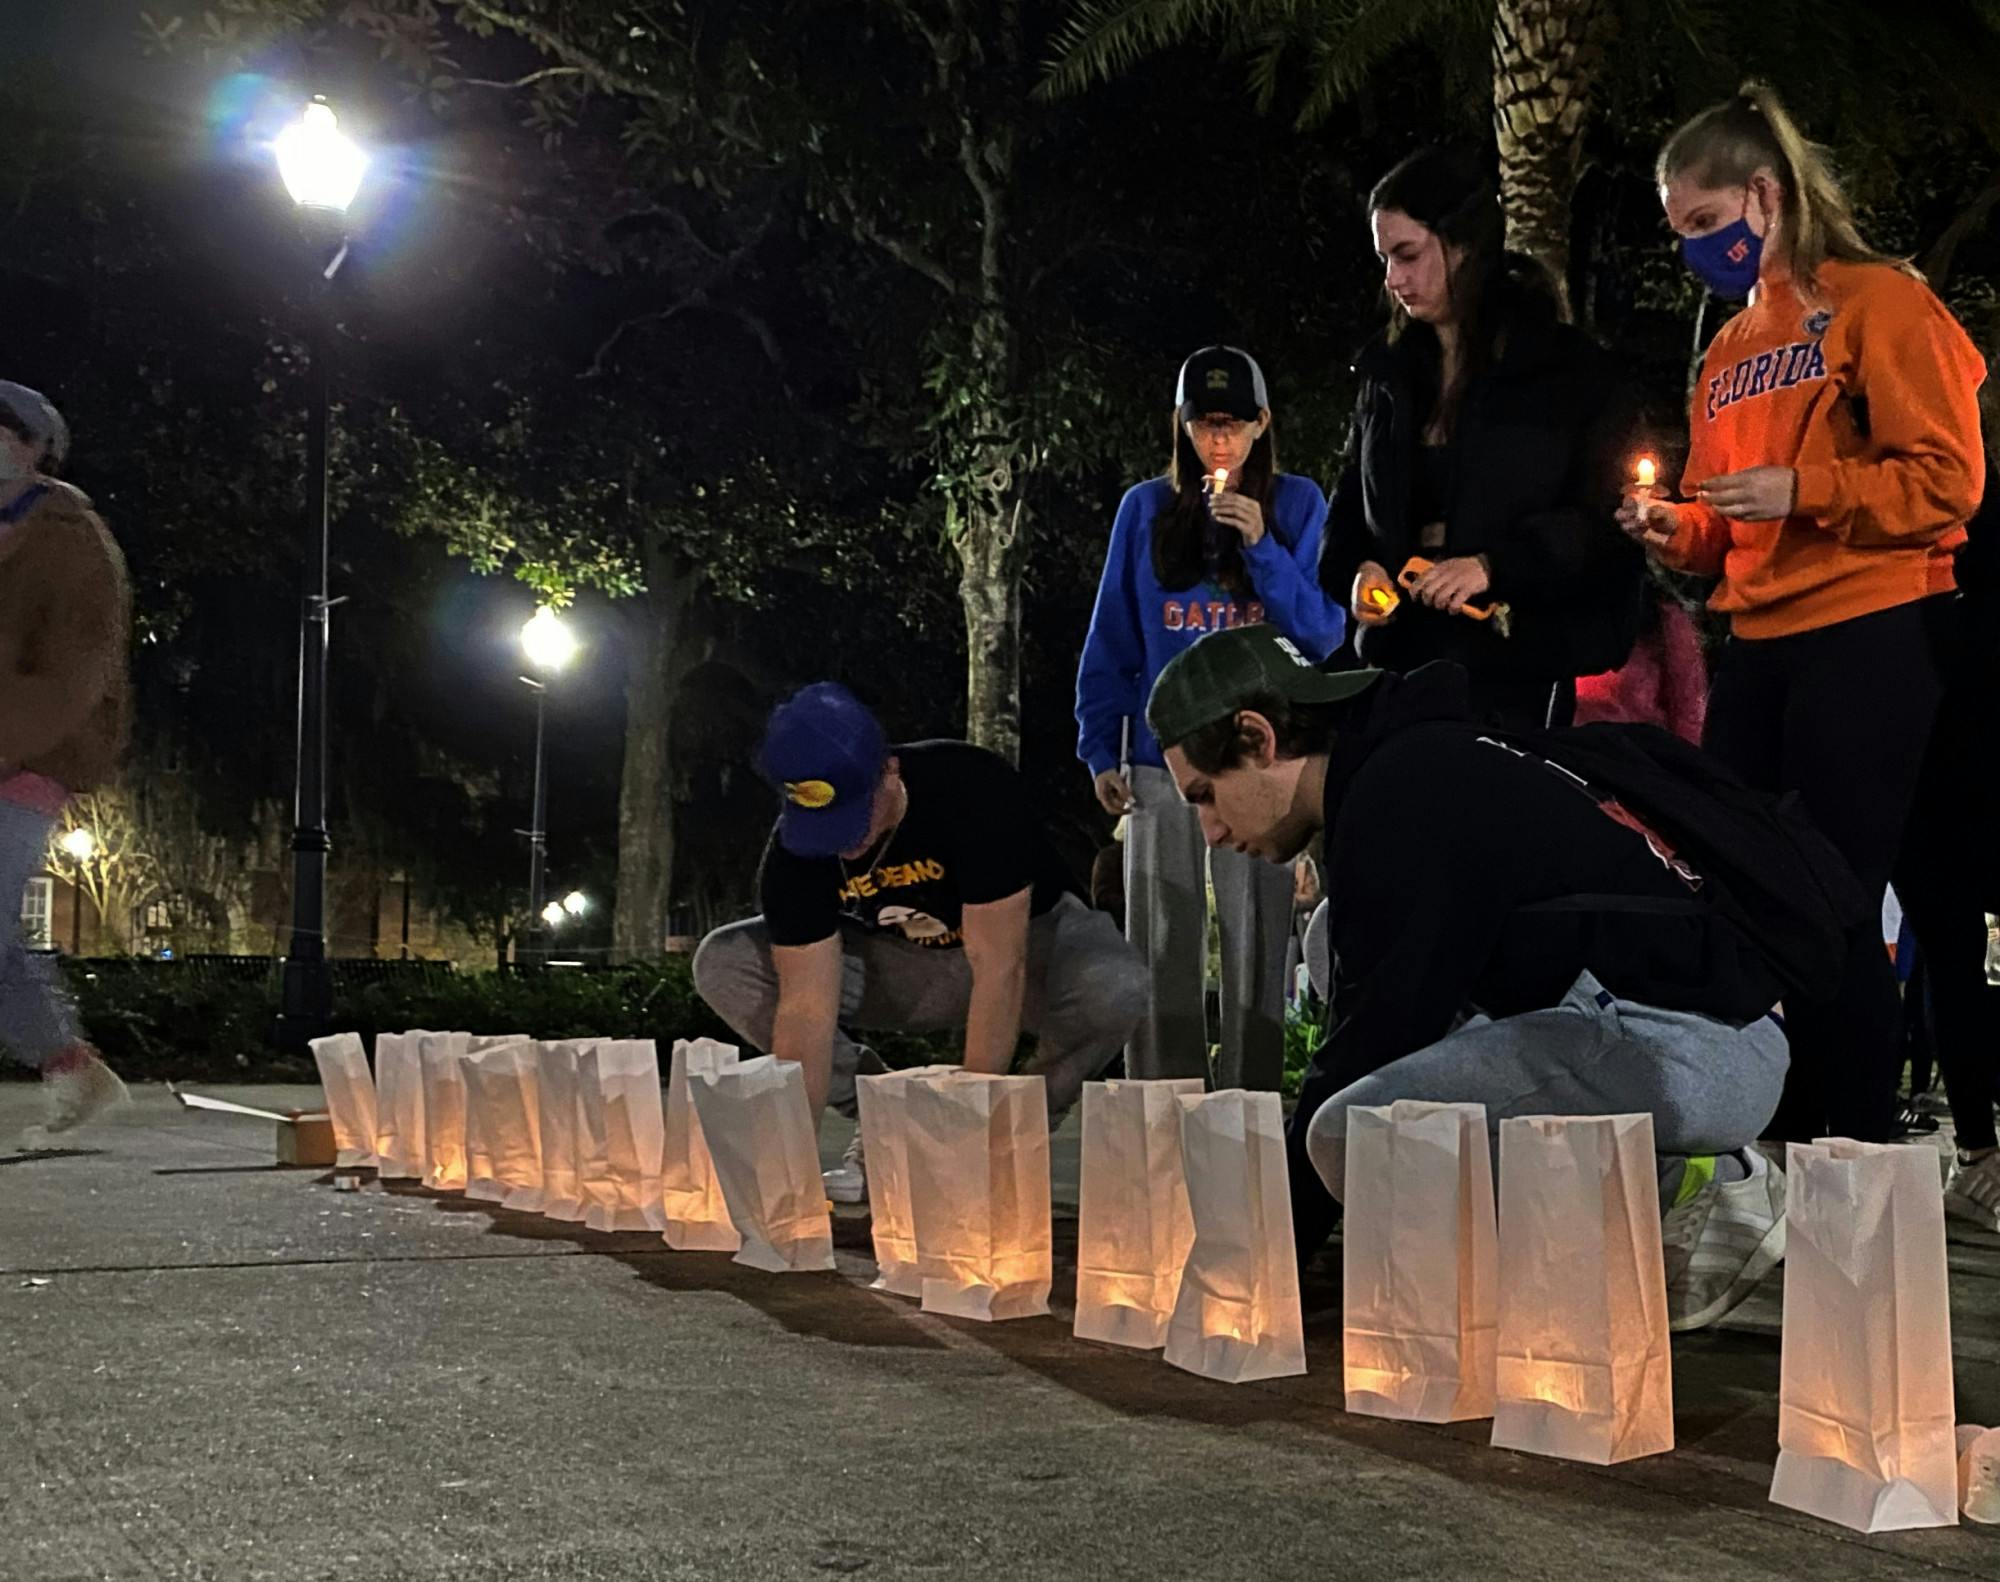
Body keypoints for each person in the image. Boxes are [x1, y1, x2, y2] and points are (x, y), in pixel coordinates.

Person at [1142, 624, 1869, 1331]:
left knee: (1355, 1139)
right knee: (1336, 930)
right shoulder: (1416, 760)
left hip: (1686, 1046)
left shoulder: (1403, 794)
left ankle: (1695, 1198)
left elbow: (1371, 1044)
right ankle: (1654, 1181)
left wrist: (1260, 1268)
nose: (1209, 831)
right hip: (1686, 1030)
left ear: (1257, 738)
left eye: (1205, 794)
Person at [1619, 82, 1986, 1142]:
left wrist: (1808, 490)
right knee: (1737, 888)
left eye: (1703, 221)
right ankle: (1771, 1145)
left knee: (1828, 895)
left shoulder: (1881, 304)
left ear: (1763, 197)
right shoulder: (1728, 350)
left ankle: (1855, 1153)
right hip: (1758, 642)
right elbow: (1721, 524)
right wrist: (1672, 531)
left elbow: (1948, 481)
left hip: (1871, 632)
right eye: (1677, 230)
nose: (1692, 248)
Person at [694, 682, 1147, 1203]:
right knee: (725, 964)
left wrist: (964, 1128)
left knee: (1117, 984)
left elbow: (1000, 966)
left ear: (890, 769)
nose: (843, 840)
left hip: (1028, 958)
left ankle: (1008, 1134)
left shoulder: (971, 788)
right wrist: (788, 1161)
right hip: (905, 968)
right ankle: (884, 1121)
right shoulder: (795, 853)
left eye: (854, 815)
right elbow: (804, 1011)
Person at [1077, 345, 1344, 1090]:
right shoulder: (1145, 509)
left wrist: (1261, 545)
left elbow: (1323, 634)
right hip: (1165, 757)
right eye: (1203, 424)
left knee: (1259, 939)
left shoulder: (1297, 505)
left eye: (1233, 424)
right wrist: (1100, 747)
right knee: (1163, 939)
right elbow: (1112, 639)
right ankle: (1161, 1116)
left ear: (1262, 424)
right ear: (1181, 426)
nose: (1218, 441)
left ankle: (1248, 1113)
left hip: (1264, 756)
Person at [1320, 146, 1644, 731]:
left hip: (1518, 675)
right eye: (1385, 259)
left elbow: (1608, 521)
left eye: (1408, 255)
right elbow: (1348, 506)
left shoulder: (1565, 372)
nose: (1393, 279)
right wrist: (1360, 572)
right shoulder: (1387, 374)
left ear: (1465, 246)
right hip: (1400, 665)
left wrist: (1494, 567)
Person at [0, 381, 132, 1145]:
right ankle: (72, 1066)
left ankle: (70, 1066)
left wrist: (11, 735)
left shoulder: (69, 535)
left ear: (34, 450)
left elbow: (78, 667)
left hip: (30, 757)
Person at [1572, 575, 1709, 744]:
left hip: (1636, 757)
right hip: (1560, 757)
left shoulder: (1662, 618)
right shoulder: (1551, 611)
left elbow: (1688, 709)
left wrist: (1684, 764)